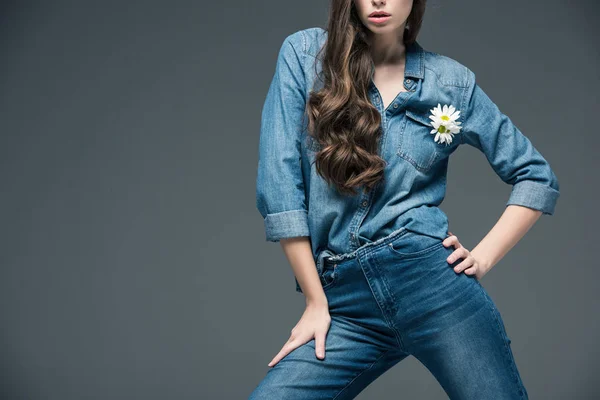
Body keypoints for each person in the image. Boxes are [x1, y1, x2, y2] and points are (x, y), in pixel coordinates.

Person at [250, 0, 559, 398]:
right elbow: (280, 182)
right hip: (344, 302)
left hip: (429, 285)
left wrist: (481, 258)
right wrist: (314, 300)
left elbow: (535, 175)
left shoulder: (450, 82)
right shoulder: (307, 55)